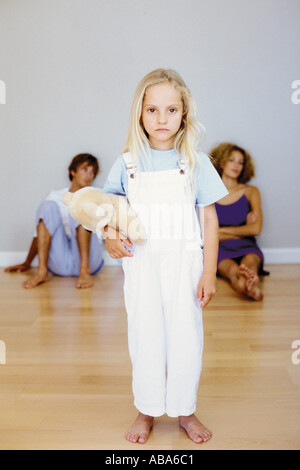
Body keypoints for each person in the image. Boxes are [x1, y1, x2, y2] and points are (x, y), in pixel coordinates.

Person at [102, 69, 228, 444]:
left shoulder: (196, 162)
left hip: (185, 266)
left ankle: (185, 409)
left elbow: (209, 218)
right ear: (139, 114)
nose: (161, 119)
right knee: (145, 335)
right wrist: (109, 234)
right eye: (152, 110)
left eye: (171, 110)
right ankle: (147, 409)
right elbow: (109, 210)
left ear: (184, 113)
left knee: (186, 337)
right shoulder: (127, 163)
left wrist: (209, 272)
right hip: (142, 266)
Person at [4, 153, 104, 289]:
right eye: (85, 169)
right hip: (61, 262)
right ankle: (42, 272)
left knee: (81, 203)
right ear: (72, 171)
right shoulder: (55, 196)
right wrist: (27, 262)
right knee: (48, 206)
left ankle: (84, 270)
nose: (89, 175)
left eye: (93, 172)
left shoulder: (97, 194)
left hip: (90, 261)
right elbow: (40, 232)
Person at [210, 142, 268, 301]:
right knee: (232, 270)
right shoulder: (209, 192)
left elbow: (256, 229)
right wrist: (243, 229)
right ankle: (245, 285)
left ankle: (250, 282)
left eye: (240, 162)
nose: (236, 165)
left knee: (249, 264)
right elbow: (205, 236)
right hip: (218, 248)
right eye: (232, 160)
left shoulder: (251, 192)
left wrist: (221, 232)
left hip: (247, 245)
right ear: (222, 162)